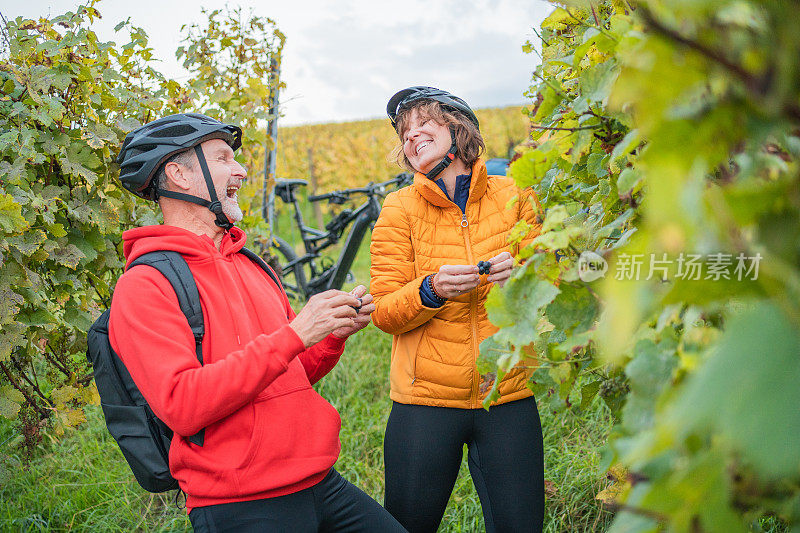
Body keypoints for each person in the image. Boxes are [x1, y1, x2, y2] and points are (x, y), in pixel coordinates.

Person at [111, 113, 406, 532]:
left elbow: (292, 371)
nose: (241, 169)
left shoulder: (252, 265)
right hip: (241, 502)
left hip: (320, 483)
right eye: (222, 158)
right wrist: (296, 333)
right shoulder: (145, 286)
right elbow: (183, 404)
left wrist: (329, 336)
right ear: (178, 174)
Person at [370, 87, 545, 533]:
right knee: (407, 526)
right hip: (424, 402)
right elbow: (385, 310)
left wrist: (523, 276)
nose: (412, 137)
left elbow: (554, 278)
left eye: (422, 124)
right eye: (404, 133)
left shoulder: (516, 194)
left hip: (506, 393)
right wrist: (430, 289)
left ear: (458, 127)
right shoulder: (399, 208)